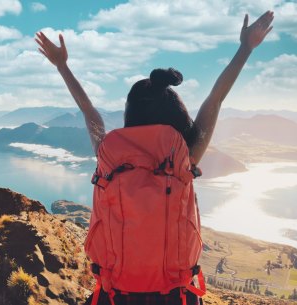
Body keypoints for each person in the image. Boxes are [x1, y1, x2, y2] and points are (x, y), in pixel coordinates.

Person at [36, 10, 274, 305]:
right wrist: (245, 48)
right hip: (175, 296)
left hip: (114, 295)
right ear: (178, 118)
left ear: (129, 114)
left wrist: (62, 66)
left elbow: (88, 111)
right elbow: (215, 98)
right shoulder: (185, 157)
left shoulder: (109, 156)